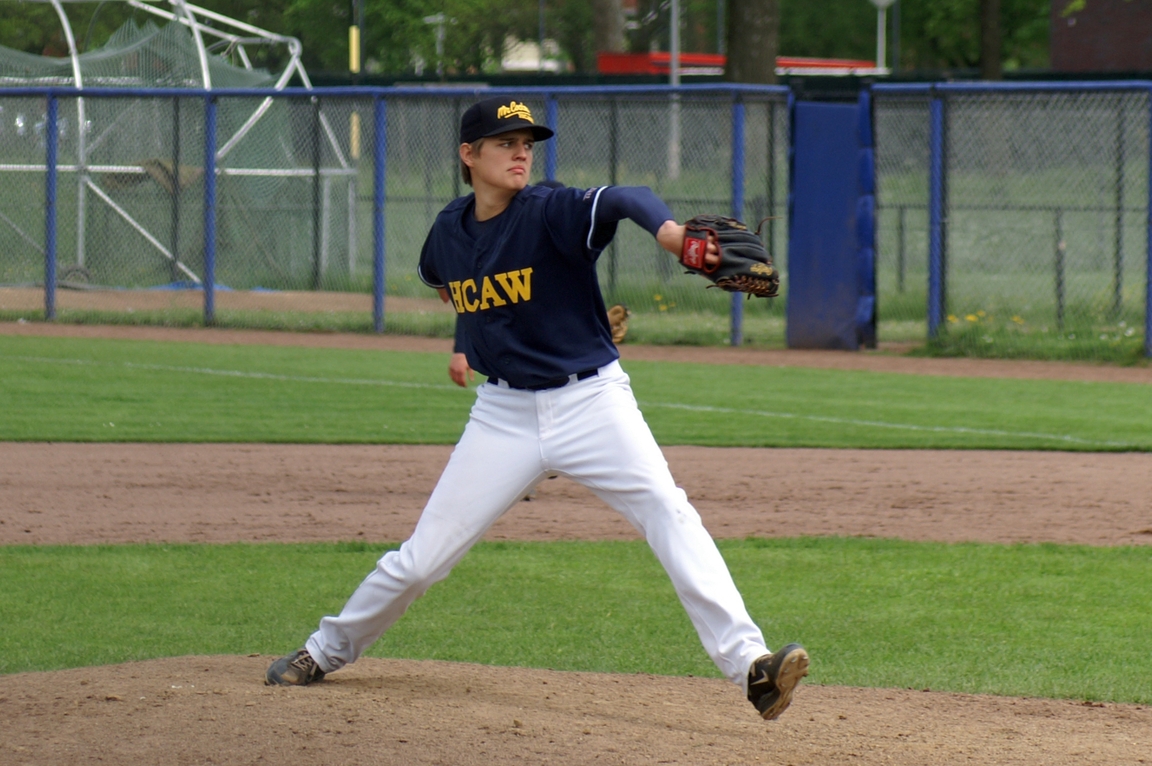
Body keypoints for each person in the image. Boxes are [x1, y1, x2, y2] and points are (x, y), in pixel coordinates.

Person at [265, 96, 809, 721]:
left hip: (592, 402)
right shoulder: (446, 233)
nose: (521, 152)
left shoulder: (550, 210)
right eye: (505, 142)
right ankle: (323, 650)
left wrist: (670, 234)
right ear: (469, 155)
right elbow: (458, 291)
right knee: (422, 560)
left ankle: (752, 666)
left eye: (527, 143)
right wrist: (475, 341)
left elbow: (626, 196)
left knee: (669, 513)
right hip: (502, 416)